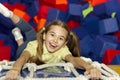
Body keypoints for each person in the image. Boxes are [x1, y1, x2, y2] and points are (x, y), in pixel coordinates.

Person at [0, 3, 101, 80]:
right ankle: (10, 15)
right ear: (44, 35)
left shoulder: (62, 50)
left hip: (39, 43)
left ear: (65, 44)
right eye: (52, 35)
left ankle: (18, 37)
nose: (55, 41)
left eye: (61, 38)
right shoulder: (34, 45)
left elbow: (74, 60)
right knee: (28, 34)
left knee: (31, 32)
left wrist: (89, 67)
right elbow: (23, 58)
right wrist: (15, 69)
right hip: (25, 50)